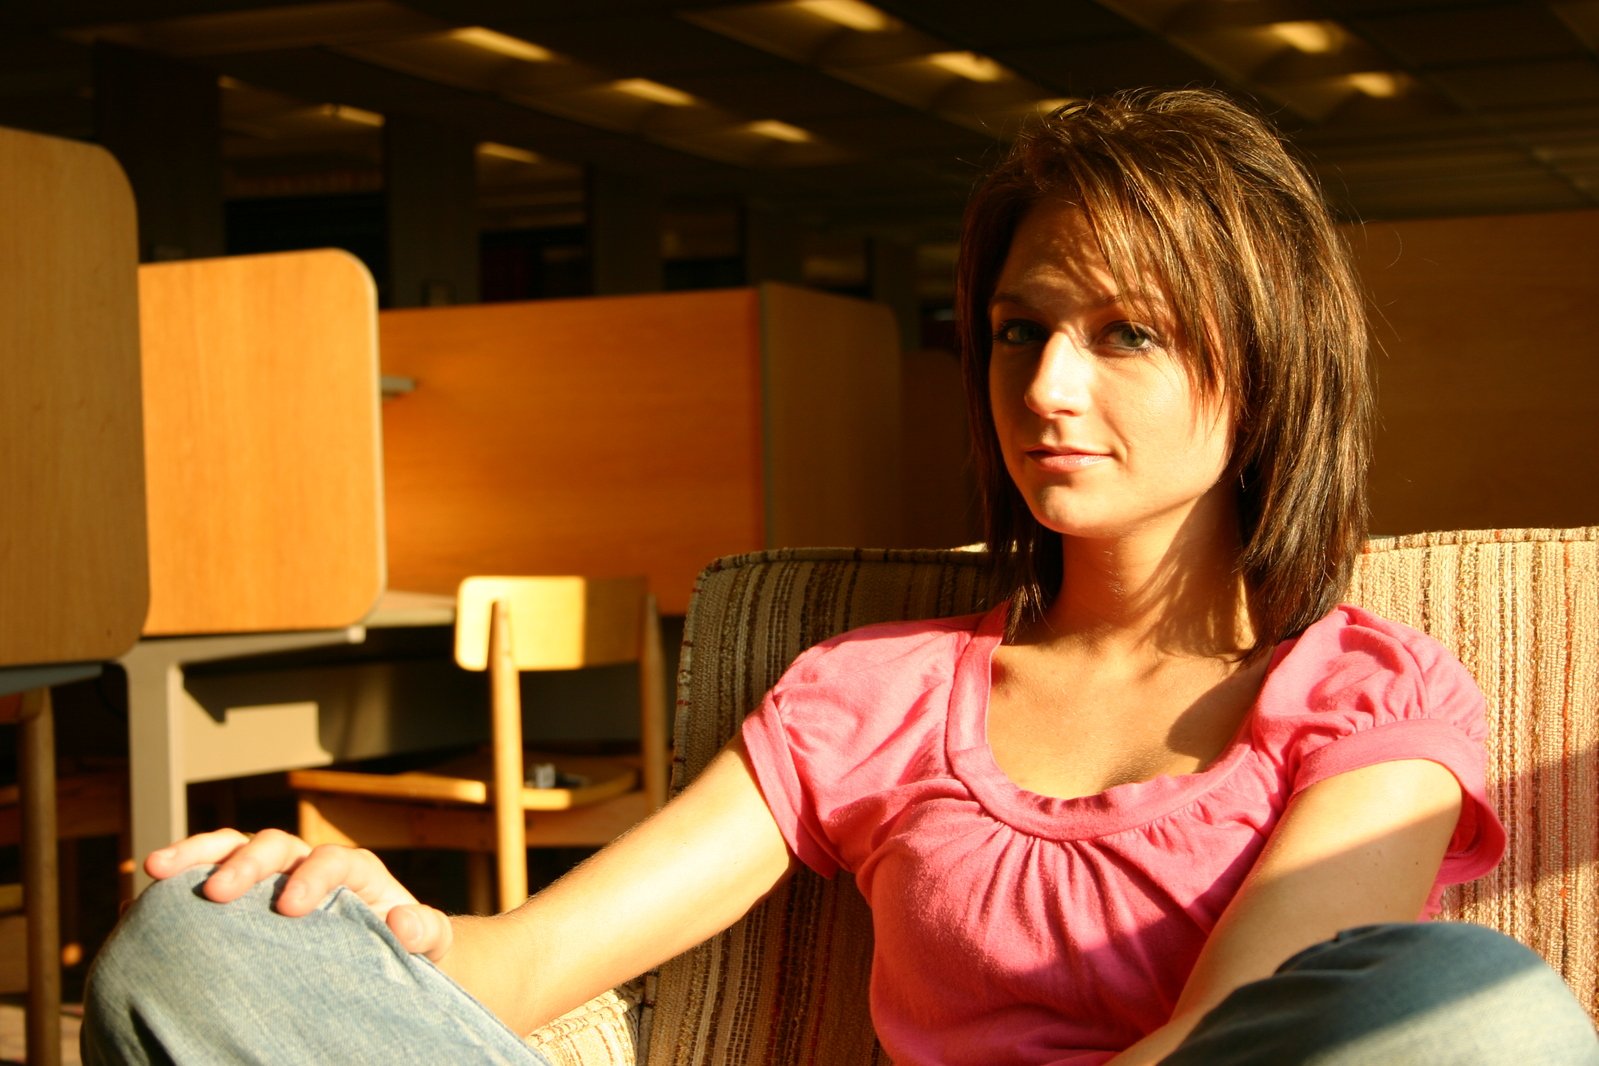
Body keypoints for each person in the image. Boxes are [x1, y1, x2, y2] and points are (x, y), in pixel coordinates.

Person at [83, 88, 1598, 1065]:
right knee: (194, 943)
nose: (1049, 386)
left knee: (1476, 1010)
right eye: (1019, 328)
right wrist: (357, 913)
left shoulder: (1370, 694)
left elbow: (1225, 1042)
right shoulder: (872, 692)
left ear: (1265, 372)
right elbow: (525, 958)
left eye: (1122, 333)